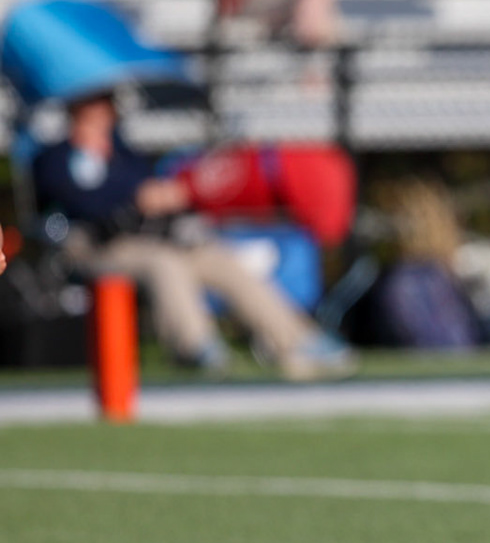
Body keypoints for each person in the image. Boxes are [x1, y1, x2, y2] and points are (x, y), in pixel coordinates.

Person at [32, 92, 356, 380]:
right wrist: (130, 200)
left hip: (147, 236)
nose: (104, 111)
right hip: (95, 245)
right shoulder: (57, 158)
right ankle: (195, 347)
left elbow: (153, 187)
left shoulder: (124, 153)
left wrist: (162, 197)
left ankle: (297, 340)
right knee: (164, 264)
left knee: (218, 259)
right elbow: (78, 201)